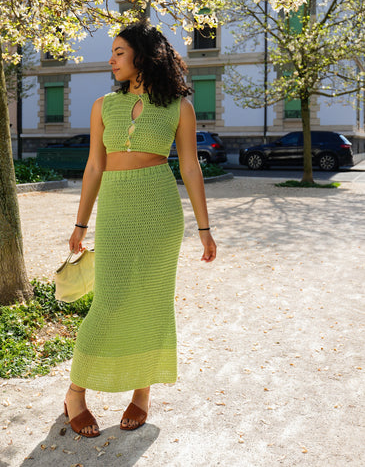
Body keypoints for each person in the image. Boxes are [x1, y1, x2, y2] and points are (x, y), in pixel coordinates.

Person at [63, 21, 217, 437]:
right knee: (109, 302)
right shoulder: (102, 106)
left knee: (151, 302)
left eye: (119, 52)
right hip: (115, 210)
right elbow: (94, 166)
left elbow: (190, 167)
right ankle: (75, 392)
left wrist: (204, 228)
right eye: (112, 53)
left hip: (160, 212)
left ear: (143, 56)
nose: (111, 60)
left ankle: (142, 392)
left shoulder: (179, 108)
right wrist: (81, 223)